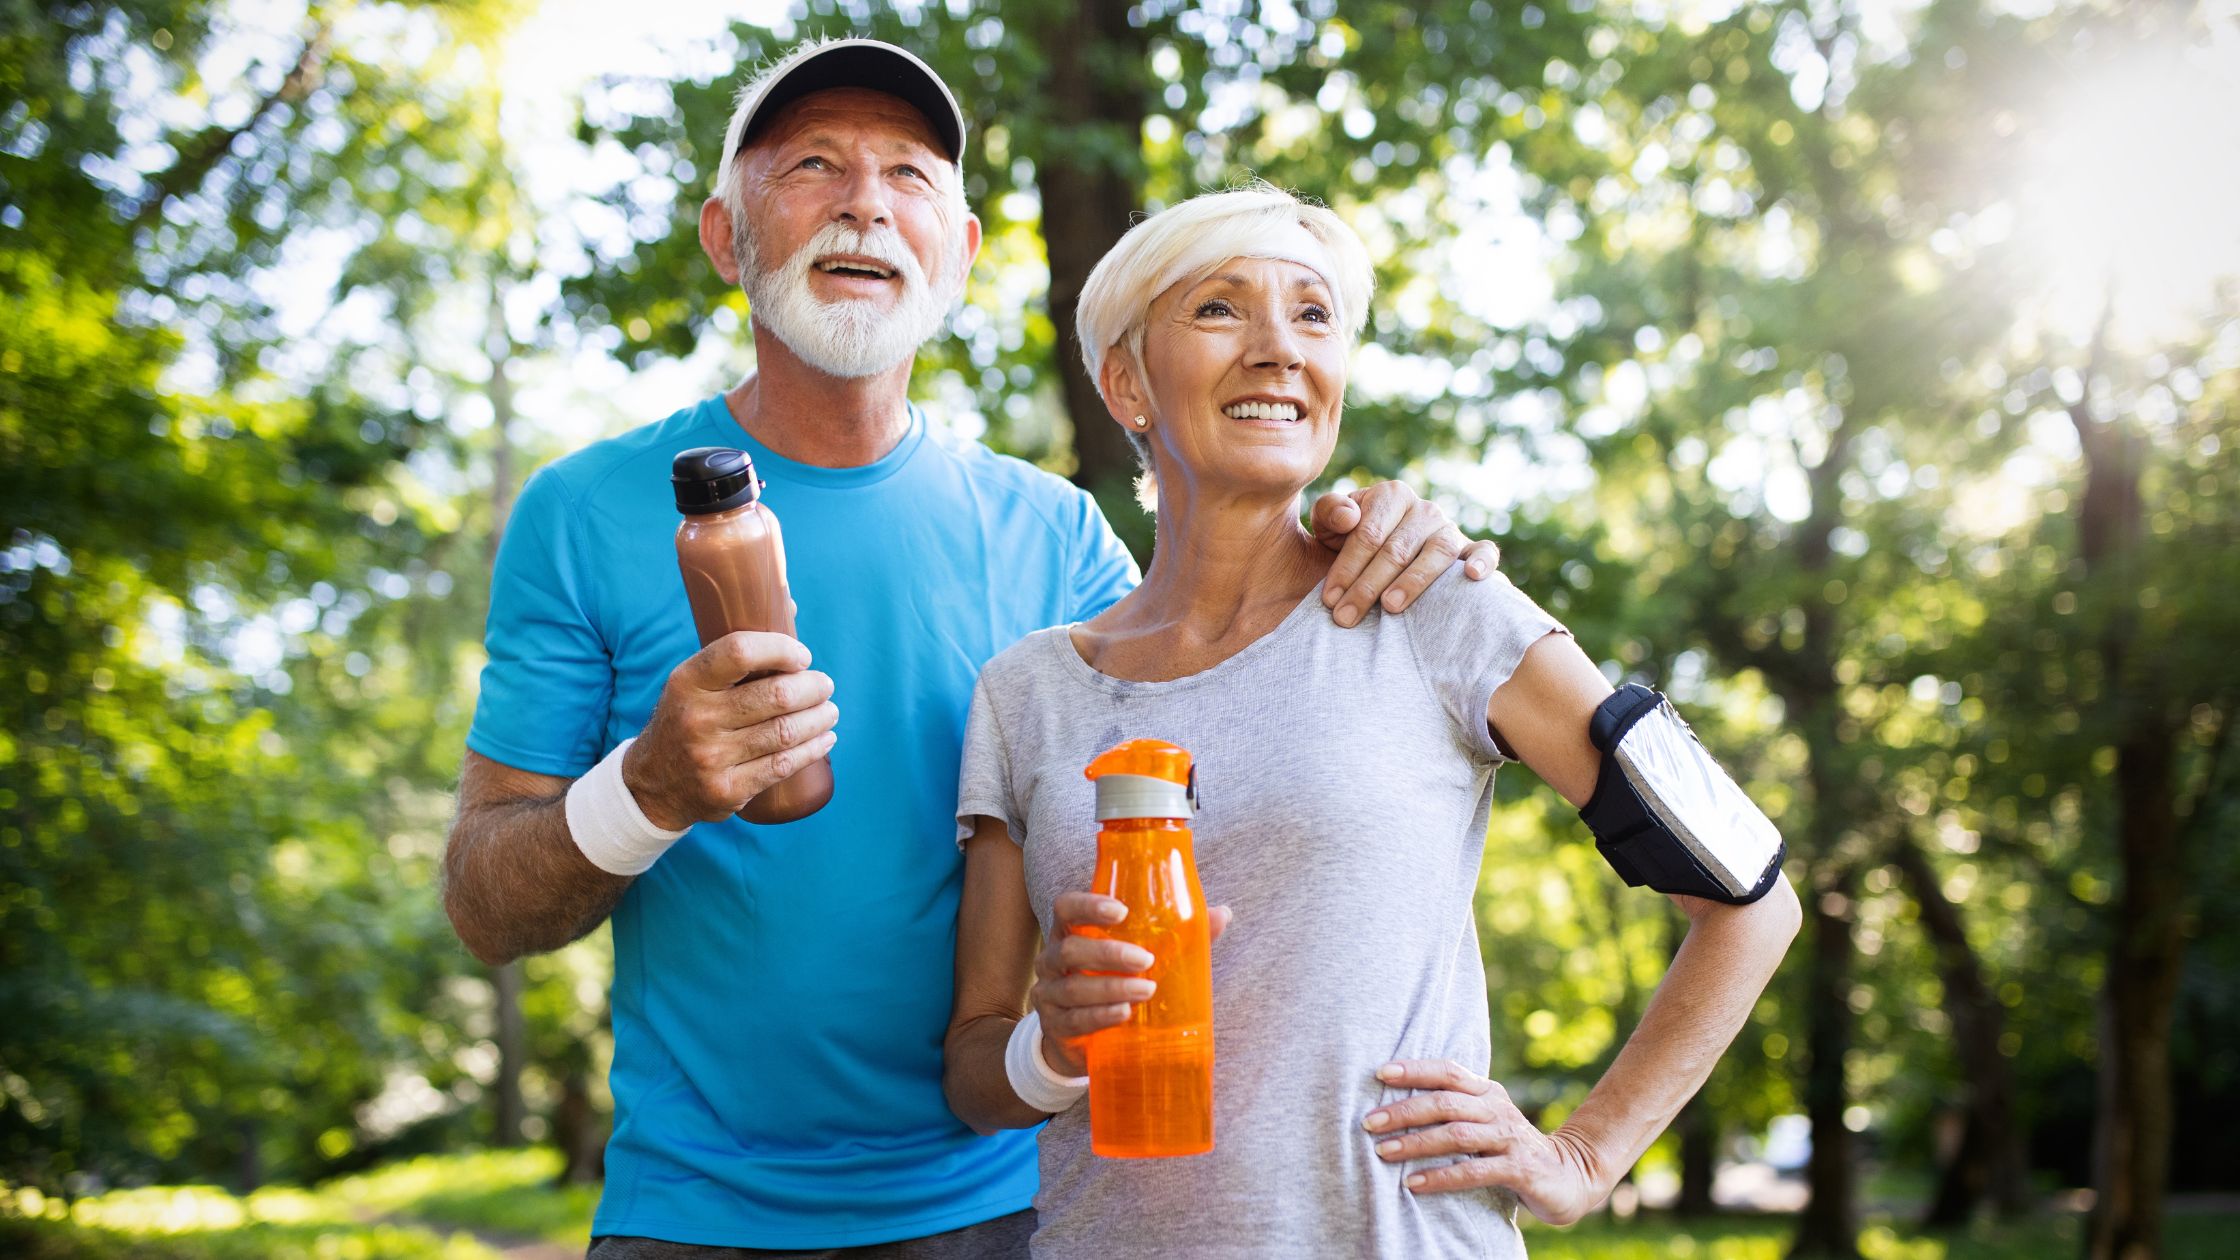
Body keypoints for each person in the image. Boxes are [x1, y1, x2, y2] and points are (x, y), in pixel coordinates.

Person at [440, 39, 1501, 1259]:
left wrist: (1359, 528)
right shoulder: (585, 511)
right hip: (690, 1215)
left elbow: (1242, 696)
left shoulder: (1057, 535)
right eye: (813, 166)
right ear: (728, 238)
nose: (864, 201)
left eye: (909, 175)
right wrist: (647, 790)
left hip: (1007, 1207)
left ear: (957, 251)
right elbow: (484, 904)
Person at [943, 184, 1803, 1258]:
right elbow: (976, 1072)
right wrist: (1052, 1047)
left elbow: (1749, 900)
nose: (1275, 350)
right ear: (1123, 380)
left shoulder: (1438, 606)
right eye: (1217, 310)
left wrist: (1580, 1157)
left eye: (1312, 317)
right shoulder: (1027, 694)